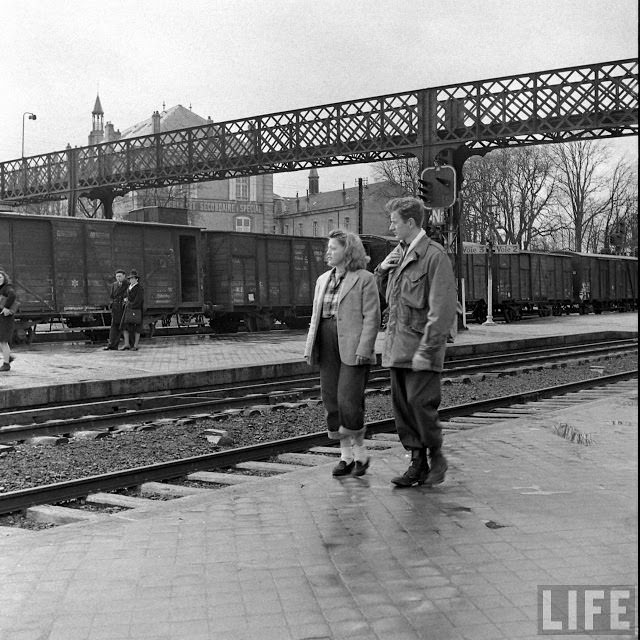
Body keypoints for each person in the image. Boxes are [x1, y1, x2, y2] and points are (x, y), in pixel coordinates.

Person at [374, 197, 457, 488]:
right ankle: (417, 463)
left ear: (410, 223)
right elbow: (385, 300)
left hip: (421, 347)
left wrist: (428, 349)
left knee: (421, 404)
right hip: (397, 346)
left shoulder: (434, 256)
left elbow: (443, 308)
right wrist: (382, 270)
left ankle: (436, 456)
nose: (391, 226)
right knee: (404, 409)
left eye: (394, 222)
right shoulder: (399, 254)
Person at [304, 230, 381, 477]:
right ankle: (345, 456)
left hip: (353, 345)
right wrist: (310, 347)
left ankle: (361, 453)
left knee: (349, 399)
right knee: (331, 400)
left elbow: (372, 317)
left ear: (347, 252)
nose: (328, 252)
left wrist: (365, 348)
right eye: (328, 248)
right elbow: (316, 318)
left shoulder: (365, 279)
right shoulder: (322, 279)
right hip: (326, 342)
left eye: (333, 248)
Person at [104, 269, 129, 350]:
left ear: (124, 276)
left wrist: (126, 301)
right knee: (114, 327)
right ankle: (112, 345)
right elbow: (111, 296)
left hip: (123, 308)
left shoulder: (128, 284)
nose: (118, 278)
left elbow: (130, 295)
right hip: (115, 308)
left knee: (123, 326)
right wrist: (111, 304)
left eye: (120, 276)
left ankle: (127, 344)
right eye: (117, 276)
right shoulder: (114, 285)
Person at [121, 270, 144, 351]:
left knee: (137, 328)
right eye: (130, 279)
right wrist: (125, 301)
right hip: (128, 310)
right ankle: (127, 344)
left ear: (137, 279)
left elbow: (139, 300)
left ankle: (135, 345)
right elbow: (125, 296)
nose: (131, 280)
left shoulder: (139, 288)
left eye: (133, 278)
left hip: (136, 309)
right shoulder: (129, 287)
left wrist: (129, 304)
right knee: (125, 327)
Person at [0, 270, 18, 372]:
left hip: (5, 319)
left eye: (0, 277)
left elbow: (13, 295)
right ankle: (8, 357)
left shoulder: (7, 288)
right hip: (1, 317)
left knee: (3, 341)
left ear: (4, 278)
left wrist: (6, 307)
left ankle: (6, 365)